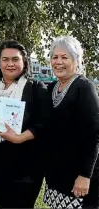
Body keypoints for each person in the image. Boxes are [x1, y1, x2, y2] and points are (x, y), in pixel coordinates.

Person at [0, 40, 51, 208]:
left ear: (24, 62)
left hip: (27, 164)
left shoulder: (36, 89)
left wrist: (20, 138)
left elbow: (45, 123)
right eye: (5, 59)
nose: (10, 64)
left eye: (15, 59)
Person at [43, 36, 99, 209]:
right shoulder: (52, 88)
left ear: (77, 61)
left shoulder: (84, 87)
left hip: (79, 178)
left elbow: (94, 135)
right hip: (57, 174)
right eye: (55, 57)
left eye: (65, 57)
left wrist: (85, 175)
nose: (58, 62)